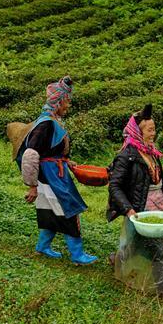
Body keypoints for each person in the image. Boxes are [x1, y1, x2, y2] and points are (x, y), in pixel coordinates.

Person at [19, 76, 97, 265]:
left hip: (52, 172)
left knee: (51, 210)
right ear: (59, 101)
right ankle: (77, 255)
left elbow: (48, 150)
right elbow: (30, 154)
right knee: (68, 210)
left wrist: (66, 161)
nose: (68, 105)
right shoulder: (46, 124)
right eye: (67, 101)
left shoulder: (51, 120)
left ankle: (42, 247)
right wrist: (31, 186)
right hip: (52, 176)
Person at [106, 104, 163, 301]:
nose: (153, 134)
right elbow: (115, 186)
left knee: (134, 243)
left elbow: (149, 178)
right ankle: (162, 288)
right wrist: (129, 210)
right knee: (159, 250)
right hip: (140, 211)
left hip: (156, 205)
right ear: (137, 132)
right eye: (149, 130)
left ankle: (116, 259)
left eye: (154, 129)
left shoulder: (150, 151)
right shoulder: (127, 156)